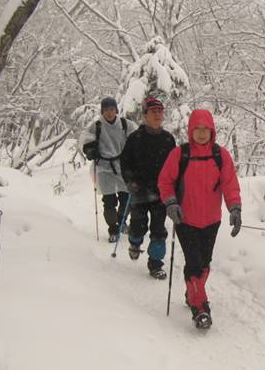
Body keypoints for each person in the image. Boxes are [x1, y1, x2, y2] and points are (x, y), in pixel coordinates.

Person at [157, 108, 242, 329]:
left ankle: (192, 291)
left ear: (212, 130)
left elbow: (230, 184)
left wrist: (235, 208)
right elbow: (165, 182)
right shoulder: (180, 154)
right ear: (190, 131)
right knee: (194, 264)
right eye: (197, 129)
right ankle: (200, 308)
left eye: (206, 129)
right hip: (185, 219)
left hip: (212, 221)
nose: (202, 133)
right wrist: (171, 203)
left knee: (204, 263)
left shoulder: (220, 155)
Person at [120, 96, 177, 280]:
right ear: (145, 115)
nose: (158, 115)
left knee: (159, 229)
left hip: (162, 192)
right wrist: (129, 180)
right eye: (154, 111)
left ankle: (155, 264)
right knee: (138, 226)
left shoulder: (168, 139)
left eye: (160, 111)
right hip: (139, 191)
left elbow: (175, 166)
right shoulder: (135, 138)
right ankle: (135, 243)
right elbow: (125, 162)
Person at [79, 97, 136, 242]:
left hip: (123, 166)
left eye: (112, 109)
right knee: (109, 201)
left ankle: (121, 222)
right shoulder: (96, 126)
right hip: (103, 168)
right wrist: (90, 150)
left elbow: (136, 139)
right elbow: (86, 141)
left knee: (126, 198)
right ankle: (113, 229)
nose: (109, 113)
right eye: (106, 110)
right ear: (102, 111)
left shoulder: (125, 124)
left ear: (116, 110)